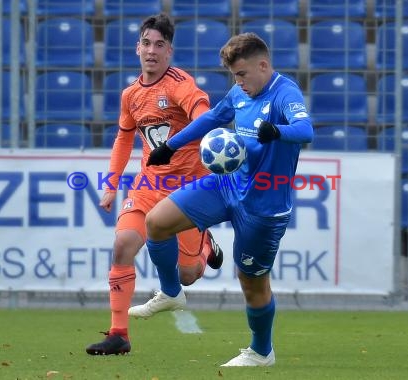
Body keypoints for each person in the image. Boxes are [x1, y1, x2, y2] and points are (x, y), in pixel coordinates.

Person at [129, 32, 313, 367]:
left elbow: (306, 130)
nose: (239, 82)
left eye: (242, 74)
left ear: (263, 65)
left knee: (252, 283)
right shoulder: (239, 93)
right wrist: (168, 147)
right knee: (157, 221)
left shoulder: (285, 94)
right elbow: (213, 118)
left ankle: (261, 352)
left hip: (263, 207)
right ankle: (172, 293)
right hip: (227, 185)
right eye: (234, 76)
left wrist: (278, 131)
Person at [86, 13, 223, 356]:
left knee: (188, 275)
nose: (152, 51)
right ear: (138, 48)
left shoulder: (179, 84)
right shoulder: (131, 94)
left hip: (188, 190)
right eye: (146, 43)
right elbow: (123, 138)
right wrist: (111, 185)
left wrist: (193, 131)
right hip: (148, 186)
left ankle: (206, 244)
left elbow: (203, 113)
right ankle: (119, 334)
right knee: (123, 245)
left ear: (169, 51)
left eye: (159, 45)